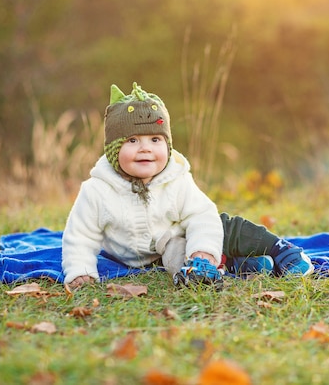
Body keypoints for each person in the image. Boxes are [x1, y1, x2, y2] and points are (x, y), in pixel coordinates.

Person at [62, 82, 313, 289]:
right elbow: (80, 235)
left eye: (155, 139)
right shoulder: (97, 190)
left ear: (167, 145)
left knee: (223, 226)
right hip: (162, 252)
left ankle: (279, 249)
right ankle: (232, 267)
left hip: (181, 234)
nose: (145, 148)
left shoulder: (176, 179)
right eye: (132, 140)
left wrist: (203, 251)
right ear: (114, 150)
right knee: (177, 256)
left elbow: (201, 216)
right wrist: (80, 271)